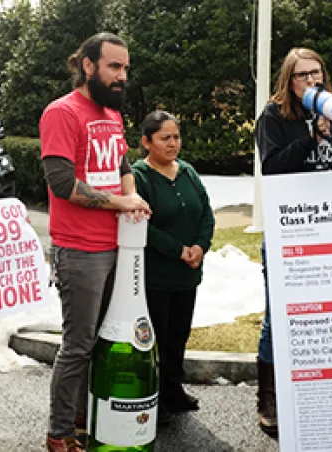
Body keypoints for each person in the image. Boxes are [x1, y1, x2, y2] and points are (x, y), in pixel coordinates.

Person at [40, 32, 152, 452]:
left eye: (125, 68)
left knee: (105, 339)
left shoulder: (111, 113)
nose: (122, 76)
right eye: (114, 67)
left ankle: (84, 418)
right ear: (88, 66)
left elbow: (122, 164)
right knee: (79, 345)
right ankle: (59, 433)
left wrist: (132, 196)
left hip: (117, 245)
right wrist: (121, 202)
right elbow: (62, 183)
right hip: (80, 250)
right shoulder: (62, 113)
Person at [253, 47, 332, 435]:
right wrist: (311, 139)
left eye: (317, 72)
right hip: (289, 230)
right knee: (279, 317)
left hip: (331, 229)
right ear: (289, 79)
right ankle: (269, 398)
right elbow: (272, 167)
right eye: (303, 75)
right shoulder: (274, 117)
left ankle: (318, 392)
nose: (312, 80)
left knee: (328, 315)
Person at [131, 111, 215, 421]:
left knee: (179, 335)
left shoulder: (188, 171)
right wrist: (178, 250)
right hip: (157, 277)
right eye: (164, 138)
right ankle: (153, 399)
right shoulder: (140, 176)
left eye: (176, 137)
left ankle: (173, 390)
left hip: (187, 275)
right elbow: (144, 227)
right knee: (157, 340)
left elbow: (206, 213)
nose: (172, 143)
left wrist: (200, 246)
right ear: (146, 142)